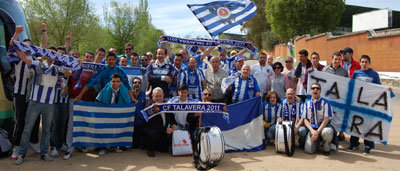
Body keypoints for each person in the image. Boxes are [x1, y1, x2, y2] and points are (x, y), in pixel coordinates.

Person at [12, 39, 71, 165]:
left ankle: (44, 152)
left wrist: (72, 61)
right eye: (49, 54)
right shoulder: (38, 64)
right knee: (27, 129)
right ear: (46, 55)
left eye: (54, 55)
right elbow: (24, 58)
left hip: (49, 104)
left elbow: (69, 72)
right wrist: (17, 47)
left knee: (47, 130)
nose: (51, 57)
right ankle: (22, 153)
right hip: (35, 102)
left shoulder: (57, 69)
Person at [10, 24, 46, 159]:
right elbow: (12, 44)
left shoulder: (36, 59)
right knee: (20, 120)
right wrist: (16, 33)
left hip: (33, 94)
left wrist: (44, 31)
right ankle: (17, 146)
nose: (28, 48)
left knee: (35, 119)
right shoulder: (17, 58)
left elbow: (43, 47)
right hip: (20, 93)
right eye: (25, 45)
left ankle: (34, 142)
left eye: (30, 45)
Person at [347, 55, 386, 155]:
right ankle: (354, 144)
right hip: (357, 103)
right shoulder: (356, 73)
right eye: (362, 62)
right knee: (355, 123)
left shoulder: (374, 74)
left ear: (369, 63)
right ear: (360, 63)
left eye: (366, 62)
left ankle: (368, 146)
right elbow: (352, 86)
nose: (364, 64)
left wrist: (387, 90)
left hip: (369, 104)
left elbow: (379, 88)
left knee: (368, 125)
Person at [322, 51, 349, 142]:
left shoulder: (344, 72)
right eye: (335, 59)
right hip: (328, 97)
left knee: (339, 115)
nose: (337, 61)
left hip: (339, 98)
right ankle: (327, 134)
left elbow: (347, 85)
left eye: (339, 59)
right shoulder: (325, 70)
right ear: (332, 59)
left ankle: (340, 134)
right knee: (327, 115)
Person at [50, 46, 71, 158]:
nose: (61, 56)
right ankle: (53, 146)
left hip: (64, 98)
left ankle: (60, 143)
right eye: (59, 54)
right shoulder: (53, 66)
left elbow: (71, 75)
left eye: (63, 54)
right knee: (54, 123)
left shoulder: (68, 66)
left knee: (62, 123)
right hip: (54, 98)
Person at [302, 83, 334, 155]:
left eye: (317, 88)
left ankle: (326, 145)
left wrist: (317, 132)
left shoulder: (326, 103)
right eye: (313, 88)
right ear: (310, 91)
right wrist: (312, 131)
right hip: (312, 129)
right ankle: (317, 143)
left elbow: (326, 119)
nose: (315, 89)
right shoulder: (307, 104)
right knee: (309, 151)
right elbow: (305, 119)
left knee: (328, 132)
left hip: (322, 128)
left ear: (320, 91)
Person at [145, 87, 177, 157]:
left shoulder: (166, 105)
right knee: (153, 133)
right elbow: (151, 124)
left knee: (163, 150)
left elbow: (172, 117)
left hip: (163, 131)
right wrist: (165, 129)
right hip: (154, 130)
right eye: (156, 96)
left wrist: (173, 124)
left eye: (160, 96)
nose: (158, 98)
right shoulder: (149, 106)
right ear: (152, 96)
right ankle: (149, 149)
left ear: (163, 96)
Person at [131, 77, 150, 149]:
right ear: (132, 84)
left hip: (140, 123)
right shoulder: (129, 94)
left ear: (141, 85)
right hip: (130, 123)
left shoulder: (145, 95)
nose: (137, 84)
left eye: (139, 82)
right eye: (135, 82)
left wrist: (147, 96)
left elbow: (148, 108)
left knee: (140, 146)